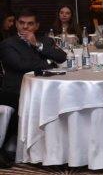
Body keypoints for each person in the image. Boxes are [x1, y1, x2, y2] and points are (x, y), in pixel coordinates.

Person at [0, 11, 68, 146]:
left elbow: (61, 57)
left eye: (30, 23)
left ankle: (55, 143)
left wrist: (37, 44)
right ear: (16, 24)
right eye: (21, 23)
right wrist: (48, 63)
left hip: (46, 88)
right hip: (17, 90)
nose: (25, 27)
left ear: (36, 26)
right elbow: (21, 65)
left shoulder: (45, 40)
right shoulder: (8, 44)